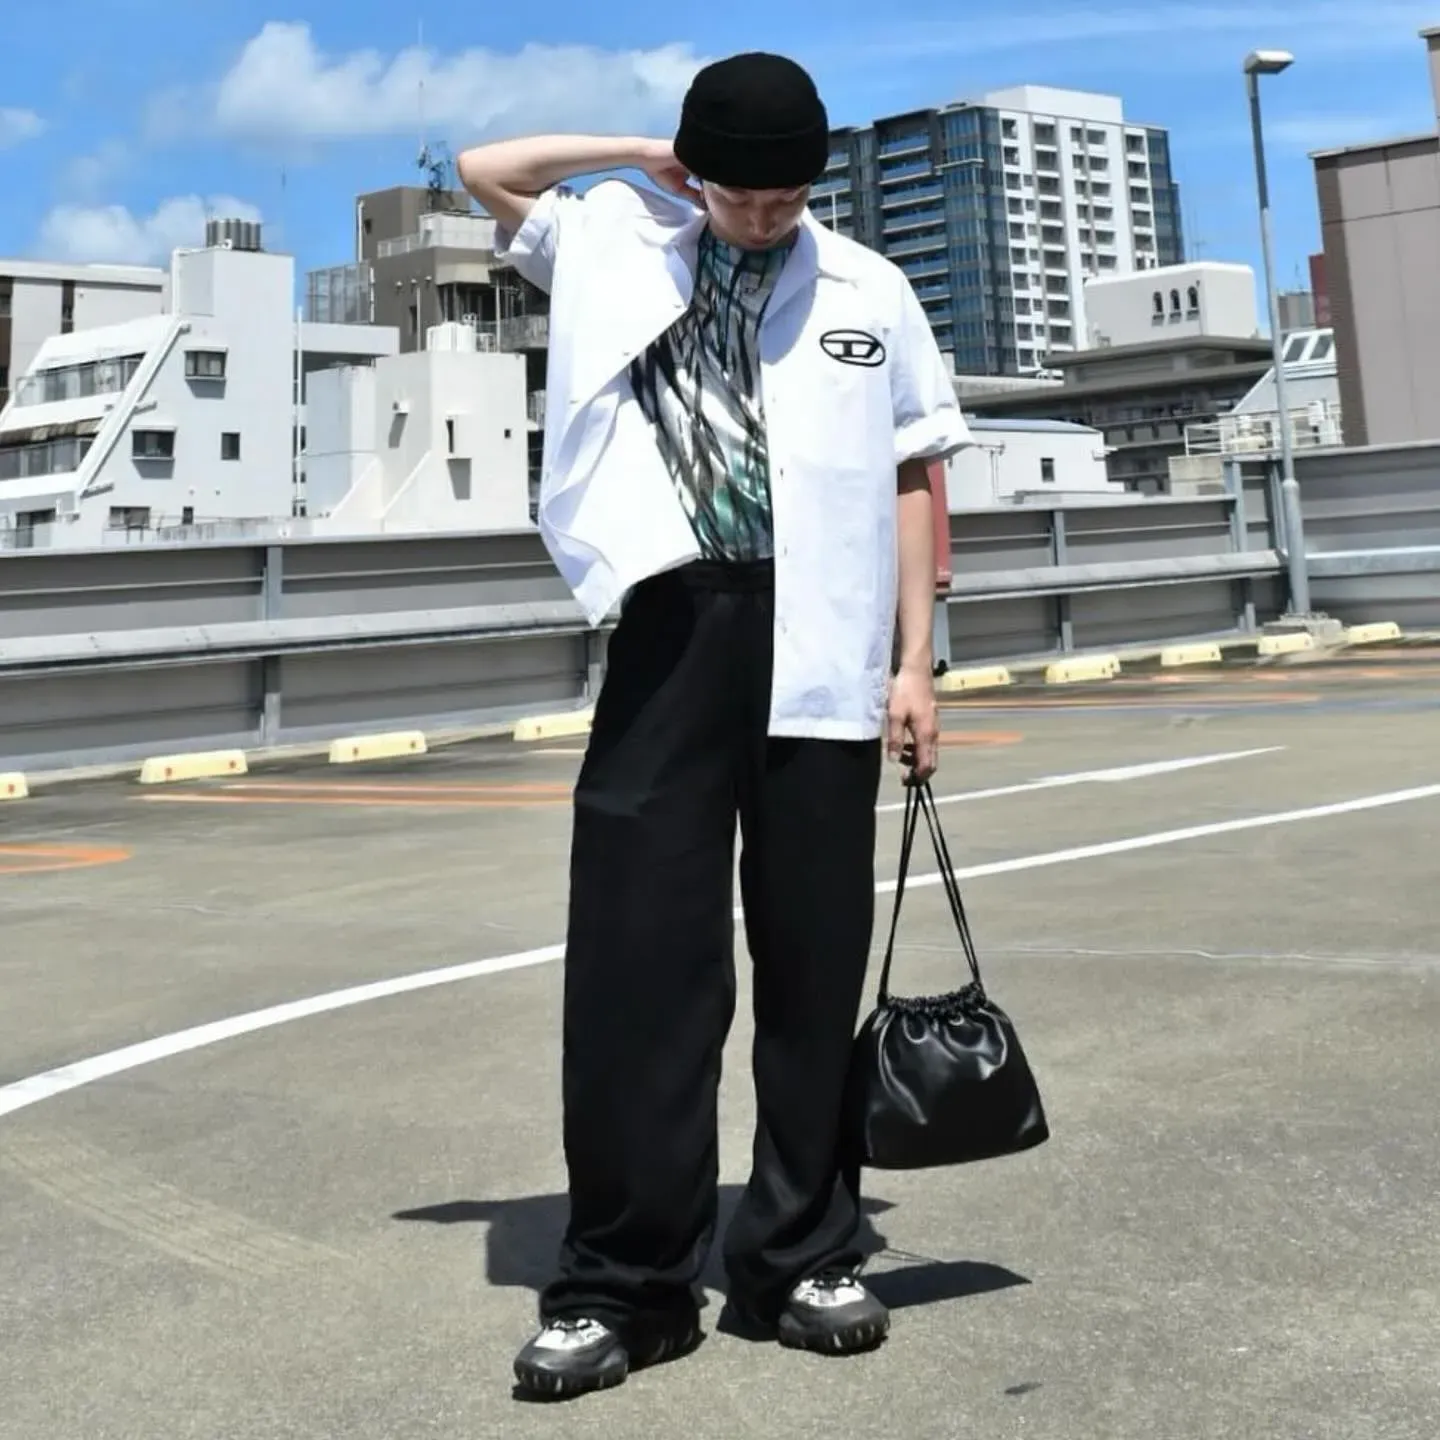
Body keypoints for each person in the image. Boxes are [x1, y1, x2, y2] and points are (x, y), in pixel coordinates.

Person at [458, 50, 971, 1400]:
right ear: (703, 174)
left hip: (830, 641)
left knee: (812, 968)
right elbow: (483, 173)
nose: (763, 215)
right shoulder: (615, 242)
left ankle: (798, 1256)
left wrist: (917, 665)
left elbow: (920, 479)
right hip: (674, 635)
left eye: (786, 193)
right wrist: (639, 149)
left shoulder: (871, 286)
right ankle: (624, 1286)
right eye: (742, 192)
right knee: (638, 970)